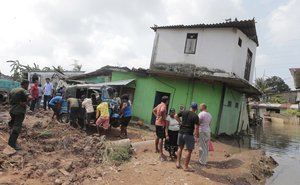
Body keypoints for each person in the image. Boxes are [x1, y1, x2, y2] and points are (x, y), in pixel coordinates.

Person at [175, 102, 199, 172]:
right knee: (189, 150)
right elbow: (197, 127)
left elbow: (176, 115)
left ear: (190, 106)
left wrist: (180, 122)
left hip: (181, 132)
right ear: (196, 109)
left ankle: (178, 163)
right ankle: (185, 166)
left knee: (180, 148)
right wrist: (197, 136)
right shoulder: (195, 116)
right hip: (188, 133)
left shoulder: (184, 112)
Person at [8, 80, 31, 150]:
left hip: (12, 110)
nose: (28, 86)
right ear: (25, 84)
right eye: (28, 85)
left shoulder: (13, 90)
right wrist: (25, 103)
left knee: (12, 124)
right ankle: (12, 144)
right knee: (17, 127)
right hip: (19, 111)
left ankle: (11, 139)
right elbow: (30, 97)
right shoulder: (23, 90)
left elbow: (9, 100)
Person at [152, 96, 169, 161]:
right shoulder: (164, 105)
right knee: (161, 138)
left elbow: (153, 110)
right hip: (161, 124)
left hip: (157, 123)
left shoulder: (159, 105)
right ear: (166, 100)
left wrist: (157, 117)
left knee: (158, 136)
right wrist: (163, 118)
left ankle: (156, 149)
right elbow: (162, 111)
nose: (168, 101)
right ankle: (161, 153)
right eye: (168, 100)